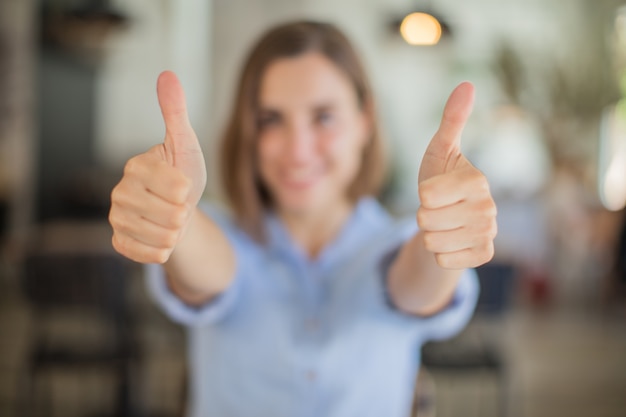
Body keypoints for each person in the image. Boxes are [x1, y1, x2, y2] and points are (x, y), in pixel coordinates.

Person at [109, 21, 497, 417]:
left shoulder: (395, 243)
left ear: (365, 120)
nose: (298, 150)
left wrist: (447, 233)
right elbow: (206, 269)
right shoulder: (222, 236)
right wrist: (176, 217)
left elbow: (416, 286)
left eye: (324, 117)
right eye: (271, 120)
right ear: (249, 132)